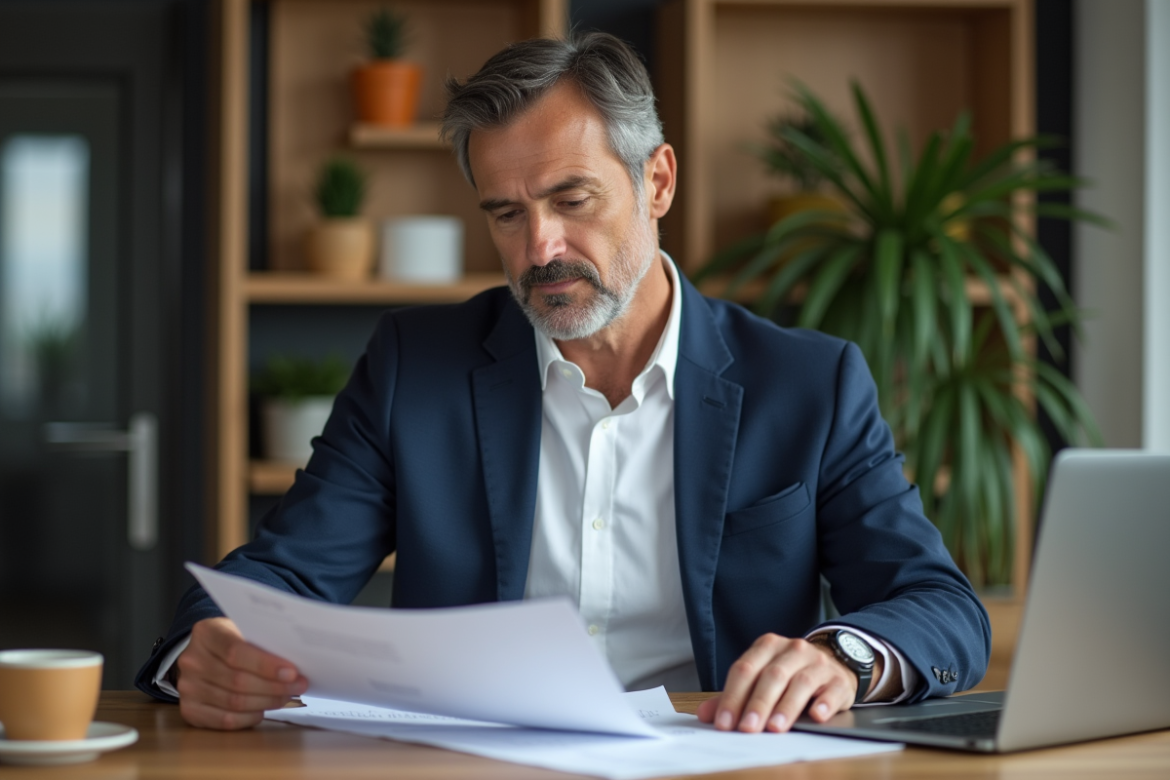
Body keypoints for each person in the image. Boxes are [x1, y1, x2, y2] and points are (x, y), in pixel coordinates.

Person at [136, 32, 989, 734]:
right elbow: (280, 577)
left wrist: (842, 656)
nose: (539, 247)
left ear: (656, 181)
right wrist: (207, 650)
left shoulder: (809, 383)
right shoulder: (415, 367)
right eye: (506, 213)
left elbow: (939, 606)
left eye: (571, 199)